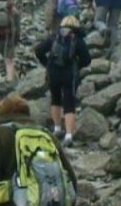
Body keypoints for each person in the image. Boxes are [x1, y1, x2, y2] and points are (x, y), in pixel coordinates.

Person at [34, 15, 91, 147]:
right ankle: (69, 135)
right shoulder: (78, 39)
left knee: (55, 99)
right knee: (69, 102)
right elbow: (87, 60)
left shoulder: (54, 36)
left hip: (53, 73)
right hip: (69, 74)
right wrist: (78, 65)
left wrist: (47, 63)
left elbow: (38, 50)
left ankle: (57, 129)